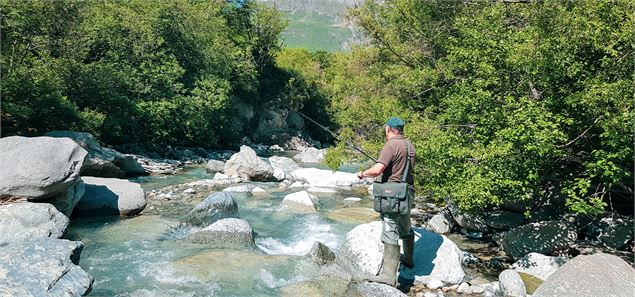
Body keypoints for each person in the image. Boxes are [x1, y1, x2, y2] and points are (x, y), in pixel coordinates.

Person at [356, 116, 416, 286]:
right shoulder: (410, 145)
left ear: (389, 129)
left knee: (390, 229)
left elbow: (377, 170)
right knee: (405, 226)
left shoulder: (390, 145)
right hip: (407, 192)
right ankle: (409, 260)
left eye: (385, 129)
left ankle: (388, 275)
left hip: (392, 195)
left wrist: (362, 173)